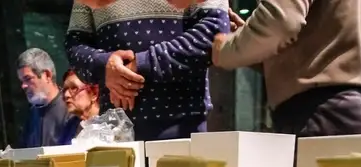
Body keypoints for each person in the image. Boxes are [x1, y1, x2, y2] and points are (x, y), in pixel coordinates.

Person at [210, 0, 361, 138]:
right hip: (351, 112)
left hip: (315, 114)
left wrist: (225, 50)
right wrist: (249, 40)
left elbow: (280, 22)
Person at [65, 0, 229, 141]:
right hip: (114, 128)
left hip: (182, 122)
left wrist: (138, 65)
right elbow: (74, 46)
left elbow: (214, 34)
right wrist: (104, 65)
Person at [17, 48, 71, 148]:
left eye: (28, 79)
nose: (23, 86)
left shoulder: (71, 108)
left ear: (47, 75)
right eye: (22, 81)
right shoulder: (31, 114)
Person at [59, 69, 101, 144]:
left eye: (74, 88)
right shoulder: (69, 127)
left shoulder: (110, 123)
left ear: (94, 94)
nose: (66, 95)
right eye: (65, 90)